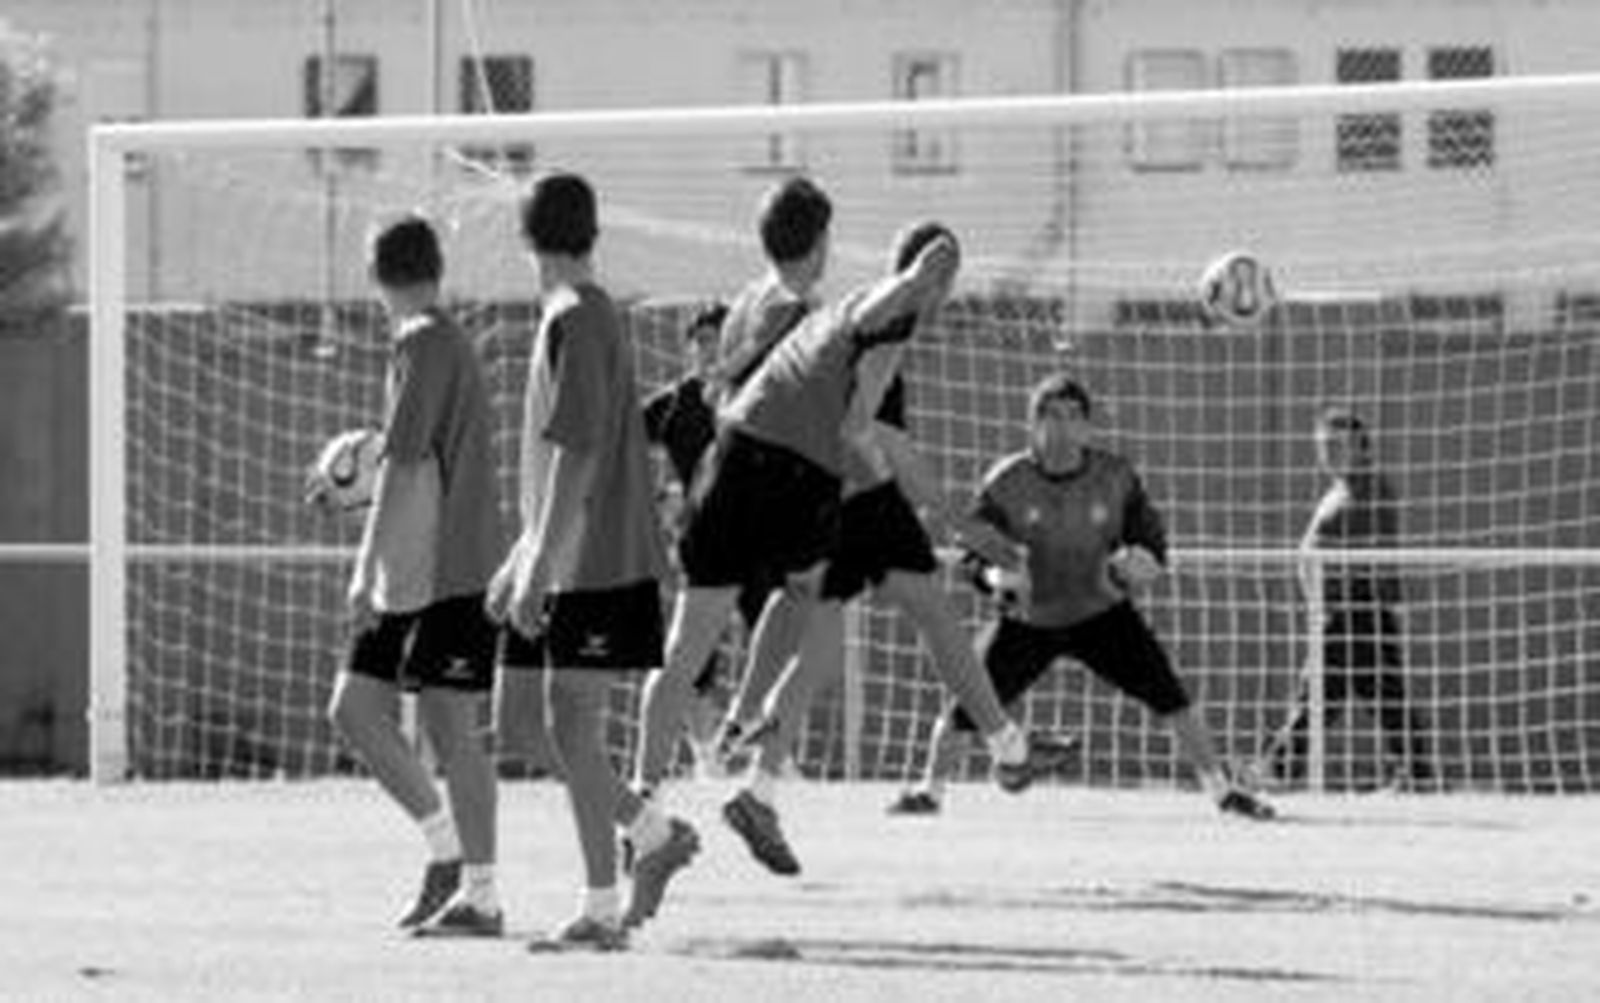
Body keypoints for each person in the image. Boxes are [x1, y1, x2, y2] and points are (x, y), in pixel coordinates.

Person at [720, 223, 1079, 876]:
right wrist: (951, 517)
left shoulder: (862, 310)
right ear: (930, 274)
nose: (949, 289)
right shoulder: (896, 313)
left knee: (837, 636)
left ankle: (756, 782)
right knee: (916, 615)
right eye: (948, 274)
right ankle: (1006, 748)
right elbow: (862, 427)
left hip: (813, 482)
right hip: (846, 489)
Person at [887, 374, 1276, 821]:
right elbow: (972, 556)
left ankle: (1225, 793)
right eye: (1051, 415)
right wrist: (995, 577)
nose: (1063, 426)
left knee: (1173, 698)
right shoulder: (1006, 480)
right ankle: (929, 792)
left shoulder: (1116, 476)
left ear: (1089, 426)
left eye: (1074, 416)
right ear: (1032, 424)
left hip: (1102, 613)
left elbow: (1151, 541)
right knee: (966, 704)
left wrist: (1144, 561)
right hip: (1027, 619)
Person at [489, 172, 699, 951]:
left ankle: (601, 908)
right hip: (561, 552)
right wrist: (523, 555)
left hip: (597, 558)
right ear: (593, 232)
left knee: (570, 723)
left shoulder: (577, 316)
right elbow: (562, 456)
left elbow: (579, 450)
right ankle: (652, 832)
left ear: (524, 238)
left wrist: (541, 558)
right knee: (520, 721)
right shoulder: (576, 313)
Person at [325, 214, 504, 935]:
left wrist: (363, 569)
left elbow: (401, 467)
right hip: (414, 565)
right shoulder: (430, 342)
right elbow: (405, 465)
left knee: (452, 728)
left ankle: (482, 894)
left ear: (376, 279)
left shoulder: (426, 342)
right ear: (437, 266)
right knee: (355, 708)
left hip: (448, 567)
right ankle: (447, 855)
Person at [632, 176, 828, 797]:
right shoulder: (803, 316)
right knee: (813, 607)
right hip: (767, 490)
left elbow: (720, 389)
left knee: (685, 651)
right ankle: (754, 748)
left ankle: (647, 790)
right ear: (821, 241)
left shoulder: (745, 300)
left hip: (718, 491)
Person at [1260, 406, 1434, 788]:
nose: (1328, 453)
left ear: (1362, 448)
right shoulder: (1340, 488)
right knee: (1367, 696)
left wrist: (1380, 601)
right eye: (1323, 446)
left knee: (1320, 696)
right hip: (1343, 609)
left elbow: (1370, 554)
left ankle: (1277, 769)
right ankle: (1419, 775)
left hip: (1357, 608)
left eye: (1338, 445)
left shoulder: (1368, 488)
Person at [641, 302, 739, 776]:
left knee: (774, 641)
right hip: (702, 545)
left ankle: (772, 755)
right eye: (700, 340)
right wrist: (660, 496)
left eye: (717, 338)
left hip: (755, 540)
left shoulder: (754, 395)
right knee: (693, 655)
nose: (709, 348)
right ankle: (706, 758)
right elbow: (620, 448)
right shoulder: (673, 404)